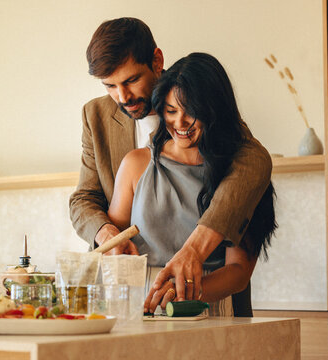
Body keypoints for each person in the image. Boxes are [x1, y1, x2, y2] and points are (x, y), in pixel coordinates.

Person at [69, 17, 272, 301]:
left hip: (212, 297)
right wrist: (107, 235)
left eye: (131, 80)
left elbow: (254, 160)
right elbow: (83, 199)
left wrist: (193, 255)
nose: (122, 97)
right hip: (134, 299)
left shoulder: (199, 95)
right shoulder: (96, 116)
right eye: (110, 86)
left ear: (156, 60)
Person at [108, 52, 276, 316]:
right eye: (171, 111)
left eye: (192, 112)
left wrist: (181, 291)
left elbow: (239, 272)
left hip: (209, 305)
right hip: (140, 308)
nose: (180, 122)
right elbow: (114, 243)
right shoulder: (135, 164)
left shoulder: (241, 175)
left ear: (215, 112)